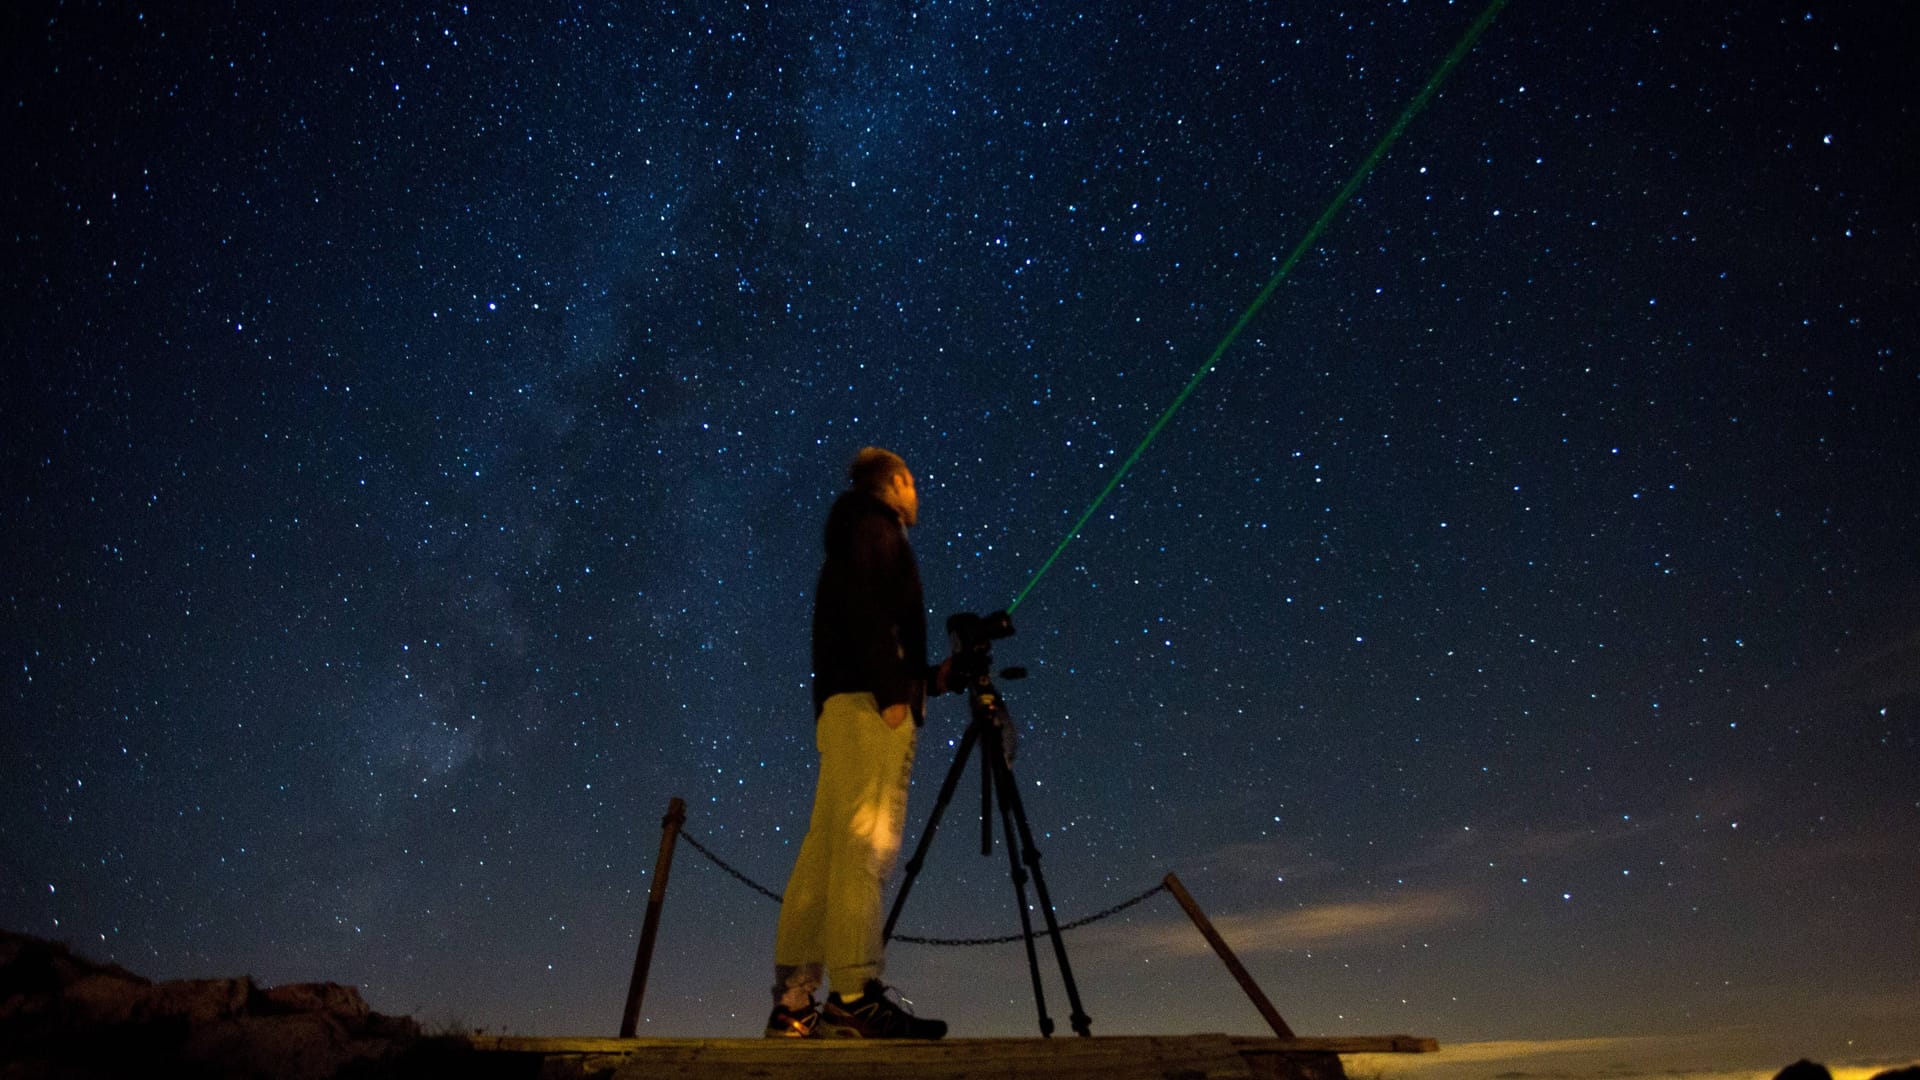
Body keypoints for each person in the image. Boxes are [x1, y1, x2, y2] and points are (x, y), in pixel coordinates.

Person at [766, 448, 950, 1040]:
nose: (918, 494)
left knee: (825, 852)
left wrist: (929, 679)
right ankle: (854, 995)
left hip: (847, 705)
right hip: (870, 705)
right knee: (864, 847)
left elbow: (863, 615)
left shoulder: (852, 532)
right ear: (895, 483)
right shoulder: (874, 528)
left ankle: (794, 1004)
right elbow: (867, 610)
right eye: (913, 483)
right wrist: (894, 690)